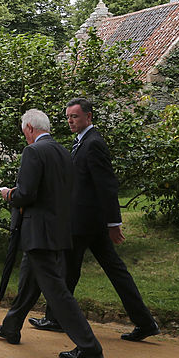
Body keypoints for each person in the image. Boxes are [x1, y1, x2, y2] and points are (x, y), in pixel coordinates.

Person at [29, 98, 159, 342]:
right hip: (88, 222)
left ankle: (56, 318)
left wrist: (113, 223)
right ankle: (145, 322)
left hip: (85, 223)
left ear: (89, 117)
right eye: (68, 117)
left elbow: (106, 185)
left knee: (67, 271)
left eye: (75, 117)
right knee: (112, 270)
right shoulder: (83, 143)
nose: (70, 121)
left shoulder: (94, 143)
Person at [0, 109, 104, 358]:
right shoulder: (64, 151)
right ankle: (11, 326)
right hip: (58, 229)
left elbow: (27, 194)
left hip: (38, 231)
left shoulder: (33, 152)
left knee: (57, 291)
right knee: (30, 282)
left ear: (29, 127)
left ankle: (88, 344)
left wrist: (9, 194)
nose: (25, 138)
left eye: (24, 133)